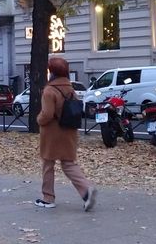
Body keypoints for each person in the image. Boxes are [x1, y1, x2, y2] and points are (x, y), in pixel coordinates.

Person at [35, 56, 97, 211]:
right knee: (69, 163)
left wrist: (38, 119)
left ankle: (48, 198)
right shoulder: (70, 88)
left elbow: (47, 114)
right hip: (69, 131)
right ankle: (86, 191)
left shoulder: (49, 90)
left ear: (52, 72)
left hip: (52, 133)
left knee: (48, 164)